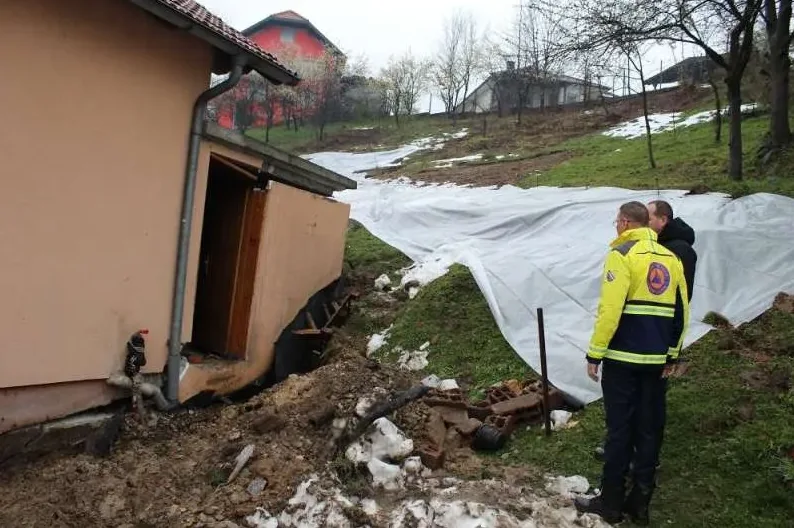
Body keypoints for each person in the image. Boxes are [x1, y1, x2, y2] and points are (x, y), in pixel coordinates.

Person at [575, 202, 690, 525]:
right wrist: (672, 353)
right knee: (649, 429)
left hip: (623, 360)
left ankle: (610, 501)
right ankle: (640, 501)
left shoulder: (622, 254)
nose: (615, 226)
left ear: (626, 222)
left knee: (619, 429)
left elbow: (610, 311)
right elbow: (682, 311)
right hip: (656, 362)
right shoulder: (671, 258)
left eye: (616, 221)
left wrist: (595, 353)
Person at [593, 200, 698, 458]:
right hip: (652, 343)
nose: (647, 222)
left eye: (650, 217)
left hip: (647, 345)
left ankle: (632, 459)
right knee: (641, 408)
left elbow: (679, 305)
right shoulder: (659, 250)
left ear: (663, 220)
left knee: (646, 409)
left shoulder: (675, 253)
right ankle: (635, 461)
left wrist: (672, 350)